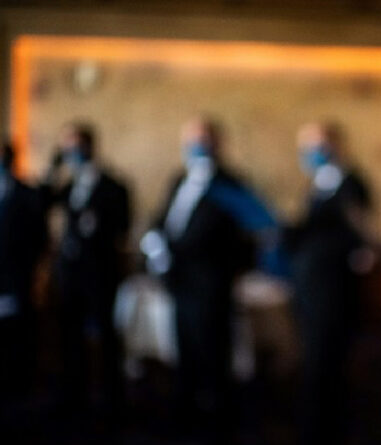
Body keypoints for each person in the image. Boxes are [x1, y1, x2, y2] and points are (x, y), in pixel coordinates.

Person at [142, 116, 255, 436]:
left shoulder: (232, 184)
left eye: (202, 139)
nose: (196, 146)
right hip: (179, 284)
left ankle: (217, 423)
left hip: (211, 287)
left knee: (214, 358)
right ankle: (185, 415)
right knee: (185, 353)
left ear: (218, 143)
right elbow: (162, 219)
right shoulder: (179, 179)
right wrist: (155, 244)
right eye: (190, 139)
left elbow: (239, 236)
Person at [285, 121, 372, 445]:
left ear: (336, 144)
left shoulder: (352, 184)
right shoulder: (317, 184)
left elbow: (358, 236)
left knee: (328, 362)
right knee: (314, 360)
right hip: (310, 287)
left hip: (334, 292)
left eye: (317, 145)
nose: (311, 153)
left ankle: (326, 430)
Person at [42, 122, 130, 416]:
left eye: (74, 145)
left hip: (100, 274)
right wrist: (53, 168)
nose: (71, 152)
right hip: (70, 274)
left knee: (105, 338)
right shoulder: (70, 185)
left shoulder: (114, 186)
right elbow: (41, 201)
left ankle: (110, 401)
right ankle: (72, 397)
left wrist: (97, 225)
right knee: (69, 338)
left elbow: (122, 227)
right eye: (66, 146)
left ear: (89, 146)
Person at [0, 141, 46, 422]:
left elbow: (38, 238)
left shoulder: (27, 194)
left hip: (16, 277)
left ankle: (19, 390)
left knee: (16, 334)